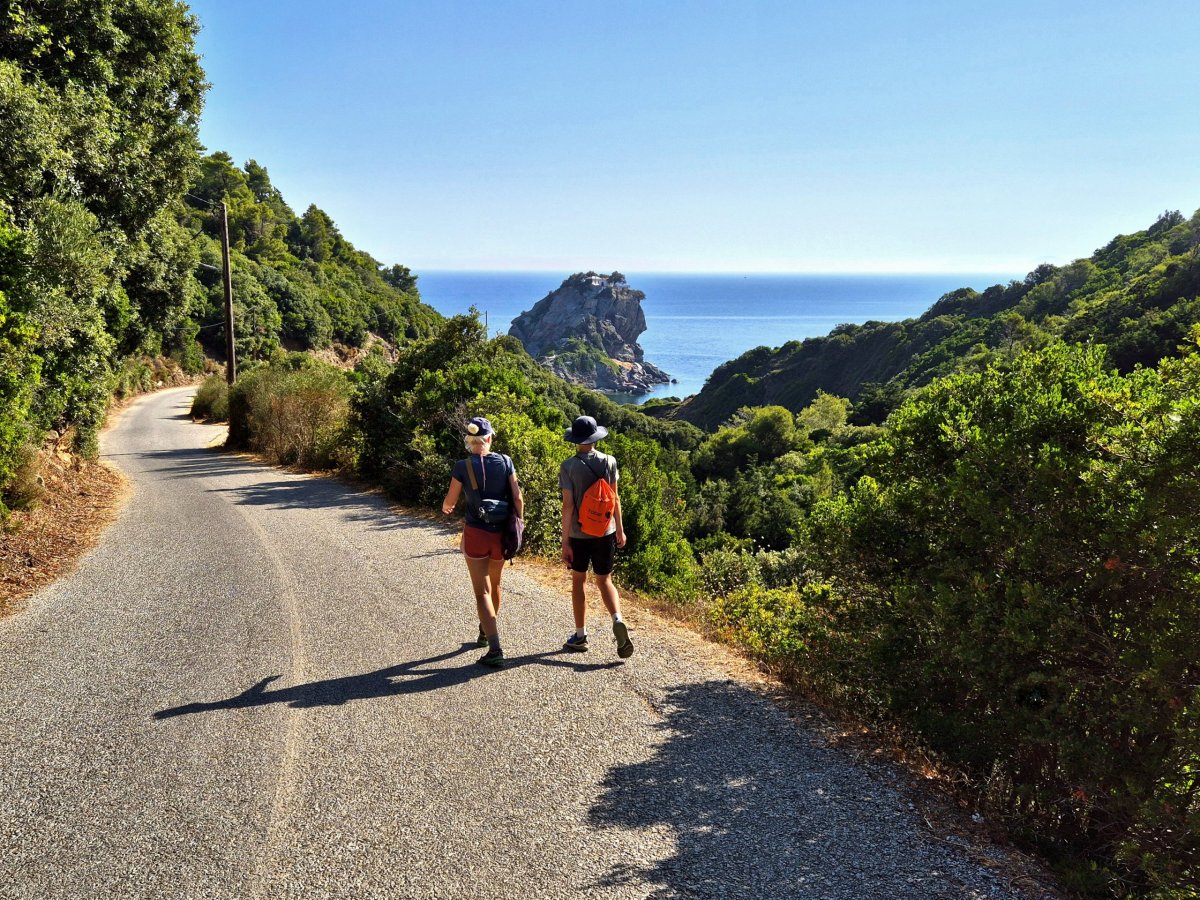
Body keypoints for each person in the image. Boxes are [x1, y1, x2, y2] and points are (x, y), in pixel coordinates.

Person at [441, 416, 523, 668]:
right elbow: (518, 498)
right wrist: (519, 523)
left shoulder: (462, 466)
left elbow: (450, 502)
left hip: (476, 533)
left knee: (481, 591)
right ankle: (485, 632)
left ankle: (495, 647)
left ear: (470, 440)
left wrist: (447, 508)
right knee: (495, 584)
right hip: (501, 534)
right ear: (489, 438)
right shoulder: (506, 461)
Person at [559, 415, 634, 658]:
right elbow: (615, 498)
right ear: (594, 438)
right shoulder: (609, 461)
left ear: (576, 440)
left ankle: (580, 636)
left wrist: (565, 540)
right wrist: (620, 529)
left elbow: (568, 506)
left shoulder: (568, 466)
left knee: (579, 581)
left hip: (579, 534)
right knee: (605, 581)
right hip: (605, 531)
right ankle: (617, 619)